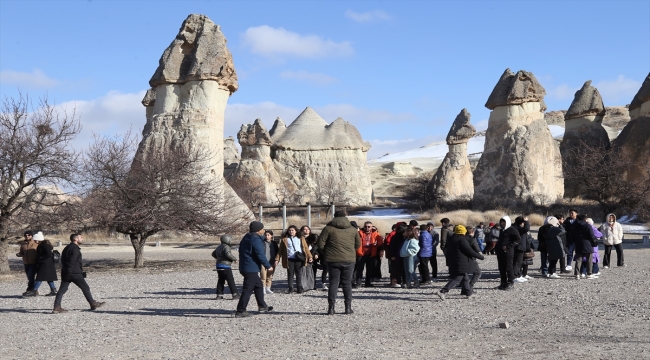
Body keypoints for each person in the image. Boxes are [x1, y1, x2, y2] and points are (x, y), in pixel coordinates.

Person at [316, 210, 360, 315]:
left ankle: (331, 308)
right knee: (347, 283)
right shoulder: (353, 229)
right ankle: (348, 308)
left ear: (334, 217)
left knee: (333, 283)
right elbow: (358, 245)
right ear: (345, 217)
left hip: (333, 259)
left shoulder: (328, 228)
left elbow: (320, 243)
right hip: (349, 259)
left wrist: (327, 252)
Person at [53, 234, 105, 313]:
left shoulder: (67, 248)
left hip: (66, 272)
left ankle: (56, 307)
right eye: (81, 237)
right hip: (74, 273)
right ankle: (92, 303)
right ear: (76, 239)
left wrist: (67, 272)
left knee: (62, 290)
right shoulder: (75, 249)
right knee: (85, 287)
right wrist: (70, 273)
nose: (82, 239)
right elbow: (71, 261)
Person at [235, 221, 274, 317]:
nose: (263, 230)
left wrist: (264, 238)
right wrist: (268, 266)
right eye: (262, 229)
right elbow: (260, 254)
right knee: (247, 290)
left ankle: (262, 306)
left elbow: (256, 240)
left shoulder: (247, 237)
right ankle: (240, 311)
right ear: (259, 230)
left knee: (259, 286)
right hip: (250, 268)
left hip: (245, 266)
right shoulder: (256, 240)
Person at [436, 225, 484, 300]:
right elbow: (469, 251)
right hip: (461, 262)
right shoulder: (462, 240)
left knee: (465, 278)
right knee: (458, 278)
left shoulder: (451, 239)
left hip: (453, 261)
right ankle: (443, 291)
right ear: (463, 232)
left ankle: (469, 293)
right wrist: (480, 256)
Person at [275, 225, 313, 294]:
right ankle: (290, 288)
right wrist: (277, 259)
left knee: (299, 274)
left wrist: (310, 257)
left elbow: (306, 248)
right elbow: (280, 250)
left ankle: (299, 287)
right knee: (290, 274)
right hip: (289, 259)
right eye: (289, 230)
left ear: (296, 231)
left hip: (298, 258)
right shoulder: (285, 239)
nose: (291, 232)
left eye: (292, 230)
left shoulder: (301, 238)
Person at [495, 216, 522, 290]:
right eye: (502, 222)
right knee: (501, 268)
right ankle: (503, 283)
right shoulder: (502, 230)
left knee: (508, 267)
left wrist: (509, 246)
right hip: (500, 252)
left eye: (504, 222)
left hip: (508, 252)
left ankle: (510, 282)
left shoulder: (512, 230)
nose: (503, 223)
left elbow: (518, 239)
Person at [354, 221, 383, 288]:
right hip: (361, 254)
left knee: (369, 270)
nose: (367, 228)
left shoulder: (375, 233)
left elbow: (381, 241)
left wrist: (377, 243)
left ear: (371, 227)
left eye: (369, 227)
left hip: (371, 254)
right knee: (359, 270)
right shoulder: (359, 233)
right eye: (365, 226)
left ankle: (368, 283)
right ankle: (358, 283)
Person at [212, 235, 239, 300]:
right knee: (230, 280)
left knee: (221, 280)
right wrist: (234, 259)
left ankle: (219, 295)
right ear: (227, 240)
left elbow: (213, 254)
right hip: (226, 266)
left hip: (218, 265)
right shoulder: (226, 247)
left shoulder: (219, 247)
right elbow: (228, 254)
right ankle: (235, 294)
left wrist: (218, 258)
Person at [33, 232, 58, 296]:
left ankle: (34, 290)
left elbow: (48, 254)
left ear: (38, 239)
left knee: (39, 277)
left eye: (35, 239)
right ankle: (53, 290)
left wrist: (41, 258)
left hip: (45, 264)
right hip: (47, 264)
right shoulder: (44, 245)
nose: (34, 241)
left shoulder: (44, 245)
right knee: (49, 277)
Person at [573, 215, 597, 279]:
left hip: (578, 243)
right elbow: (591, 235)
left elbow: (572, 235)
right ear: (585, 219)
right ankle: (589, 274)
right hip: (587, 243)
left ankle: (577, 274)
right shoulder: (587, 225)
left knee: (578, 260)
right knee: (589, 259)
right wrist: (594, 242)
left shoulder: (575, 225)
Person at [16, 230, 38, 297]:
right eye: (26, 235)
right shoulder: (23, 244)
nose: (27, 236)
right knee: (29, 277)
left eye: (29, 235)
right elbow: (21, 252)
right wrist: (19, 254)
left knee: (31, 276)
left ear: (32, 236)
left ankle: (29, 289)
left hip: (33, 262)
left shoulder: (36, 243)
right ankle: (35, 290)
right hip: (26, 263)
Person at [301, 225, 323, 290]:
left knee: (313, 272)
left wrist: (316, 254)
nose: (306, 230)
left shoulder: (314, 237)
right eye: (304, 229)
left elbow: (317, 248)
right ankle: (304, 285)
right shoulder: (301, 239)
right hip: (303, 257)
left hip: (313, 257)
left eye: (307, 229)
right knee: (304, 272)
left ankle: (313, 284)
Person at [388, 223, 408, 288]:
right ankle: (396, 282)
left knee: (404, 269)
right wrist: (392, 255)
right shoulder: (395, 237)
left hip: (403, 256)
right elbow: (391, 247)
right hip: (396, 256)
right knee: (395, 270)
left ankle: (405, 281)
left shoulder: (405, 237)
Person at [512, 216, 531, 283]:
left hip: (520, 247)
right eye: (523, 222)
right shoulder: (517, 228)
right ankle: (515, 276)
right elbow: (526, 228)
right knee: (517, 262)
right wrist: (526, 221)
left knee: (519, 262)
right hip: (518, 247)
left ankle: (518, 275)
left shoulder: (517, 227)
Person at [261, 230, 278, 294]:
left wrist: (276, 260)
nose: (267, 236)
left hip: (271, 261)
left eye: (268, 235)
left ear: (271, 236)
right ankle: (263, 288)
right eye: (266, 235)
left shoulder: (274, 243)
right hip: (263, 262)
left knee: (270, 276)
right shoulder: (262, 243)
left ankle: (268, 288)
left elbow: (277, 252)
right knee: (263, 276)